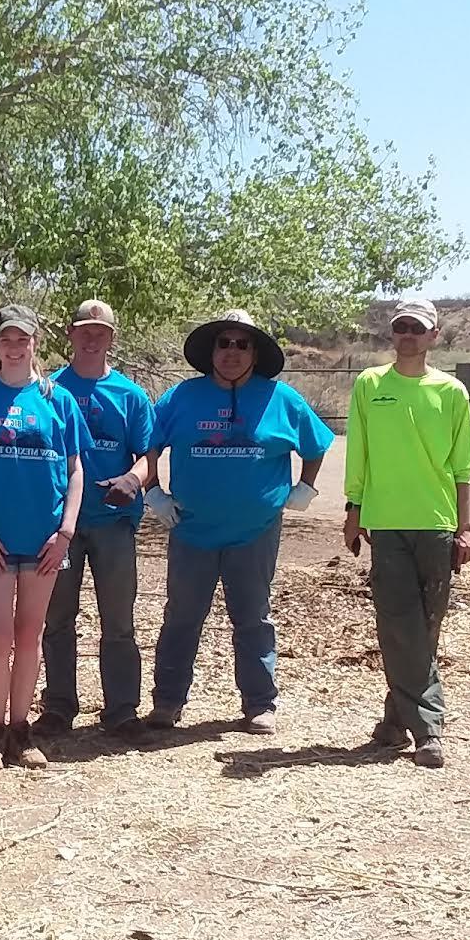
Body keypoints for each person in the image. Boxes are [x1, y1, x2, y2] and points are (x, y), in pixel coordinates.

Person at [144, 309, 332, 734]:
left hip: (256, 530)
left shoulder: (281, 398)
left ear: (255, 352)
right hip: (191, 528)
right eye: (223, 343)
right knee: (181, 617)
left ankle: (259, 704)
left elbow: (316, 443)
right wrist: (153, 492)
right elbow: (147, 444)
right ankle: (168, 702)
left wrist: (306, 487)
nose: (231, 351)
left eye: (241, 344)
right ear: (212, 351)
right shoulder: (181, 398)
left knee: (253, 618)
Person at [0, 305, 91, 771]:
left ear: (35, 343)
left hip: (45, 540)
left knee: (31, 636)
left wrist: (66, 530)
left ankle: (22, 731)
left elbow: (75, 470)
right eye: (6, 339)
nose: (14, 346)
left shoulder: (57, 399)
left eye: (22, 339)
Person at [343, 299, 470, 769]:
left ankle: (394, 721)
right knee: (400, 624)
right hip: (387, 521)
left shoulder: (451, 391)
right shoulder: (370, 385)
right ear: (391, 334)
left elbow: (462, 466)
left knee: (424, 628)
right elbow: (357, 452)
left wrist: (465, 527)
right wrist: (354, 509)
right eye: (400, 328)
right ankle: (428, 729)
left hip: (437, 522)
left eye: (416, 330)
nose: (407, 336)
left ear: (434, 335)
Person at [38, 300, 154, 738]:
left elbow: (149, 455)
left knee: (119, 620)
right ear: (70, 334)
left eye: (100, 331)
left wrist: (134, 479)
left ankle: (121, 710)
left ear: (111, 338)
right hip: (59, 524)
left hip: (113, 522)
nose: (91, 338)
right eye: (84, 330)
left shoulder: (130, 395)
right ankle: (59, 706)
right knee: (57, 618)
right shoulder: (48, 391)